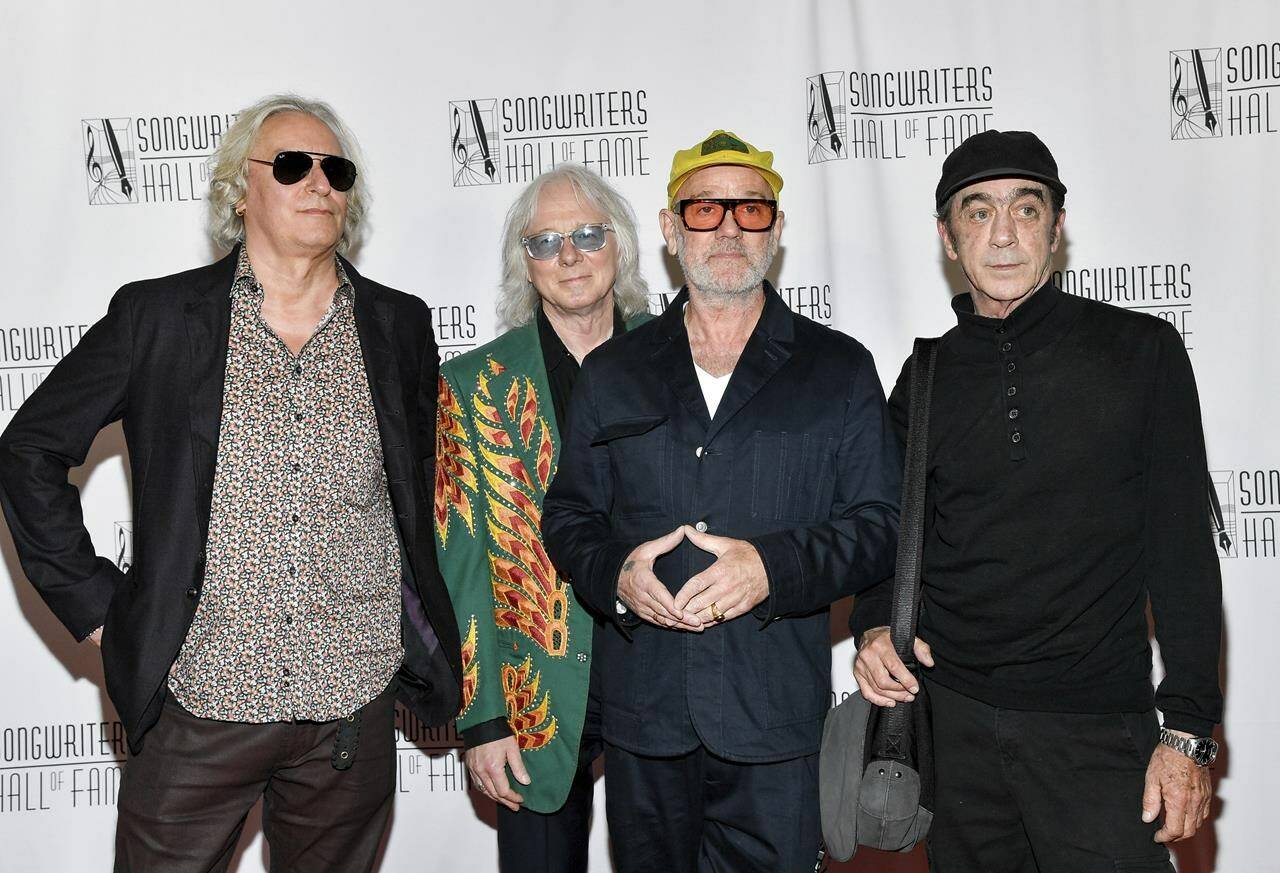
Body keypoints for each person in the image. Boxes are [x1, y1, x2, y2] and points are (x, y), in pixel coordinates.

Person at [0, 93, 461, 873]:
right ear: (238, 190)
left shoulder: (398, 325)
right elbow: (28, 451)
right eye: (292, 165)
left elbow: (421, 491)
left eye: (336, 170)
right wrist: (107, 614)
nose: (320, 183)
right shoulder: (158, 318)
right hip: (199, 706)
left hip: (348, 708)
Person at [851, 129, 1222, 873]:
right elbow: (885, 533)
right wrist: (870, 624)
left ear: (1057, 225)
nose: (1003, 235)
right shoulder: (924, 376)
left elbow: (1182, 552)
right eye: (978, 212)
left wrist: (1186, 733)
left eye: (1026, 209)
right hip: (956, 735)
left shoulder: (1141, 351)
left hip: (1097, 732)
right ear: (948, 236)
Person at [541, 130, 901, 872]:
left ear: (776, 227)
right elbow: (569, 517)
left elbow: (880, 526)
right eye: (705, 210)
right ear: (672, 230)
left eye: (751, 209)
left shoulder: (838, 368)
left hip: (773, 726)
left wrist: (773, 568)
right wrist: (616, 576)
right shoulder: (614, 372)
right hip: (645, 727)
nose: (730, 227)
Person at [434, 163, 650, 873]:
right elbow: (461, 563)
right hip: (534, 696)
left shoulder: (678, 353)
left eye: (588, 234)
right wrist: (483, 714)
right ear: (523, 264)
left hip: (666, 673)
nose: (569, 256)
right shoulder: (472, 385)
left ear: (619, 244)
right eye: (545, 241)